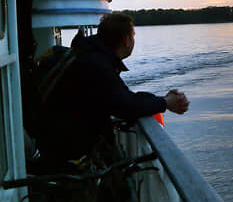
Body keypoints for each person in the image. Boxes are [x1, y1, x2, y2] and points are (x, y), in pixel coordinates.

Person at [36, 13, 188, 165]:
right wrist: (166, 102)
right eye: (133, 36)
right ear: (127, 41)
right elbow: (127, 105)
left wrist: (162, 100)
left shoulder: (90, 55)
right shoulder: (97, 64)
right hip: (62, 151)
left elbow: (121, 96)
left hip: (51, 139)